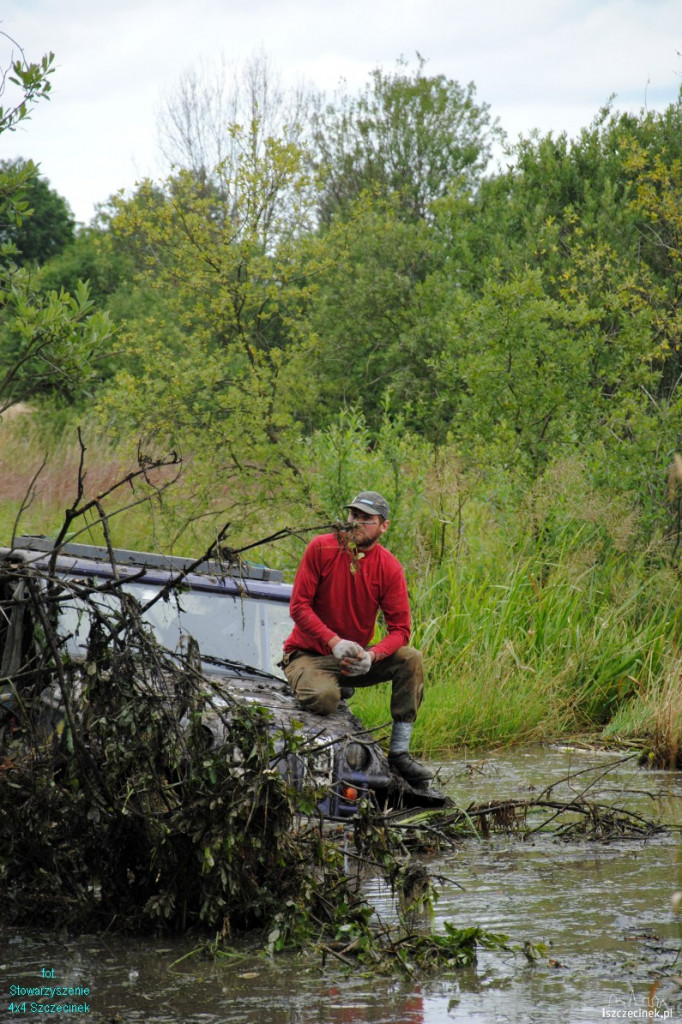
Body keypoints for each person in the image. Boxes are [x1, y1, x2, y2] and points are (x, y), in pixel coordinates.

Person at [282, 490, 432, 785]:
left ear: (384, 526)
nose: (356, 523)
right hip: (308, 654)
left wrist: (372, 657)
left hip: (354, 659)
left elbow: (401, 629)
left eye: (366, 519)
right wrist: (332, 642)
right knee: (325, 699)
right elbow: (298, 607)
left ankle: (400, 754)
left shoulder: (389, 567)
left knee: (411, 658)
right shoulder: (321, 548)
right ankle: (327, 686)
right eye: (353, 515)